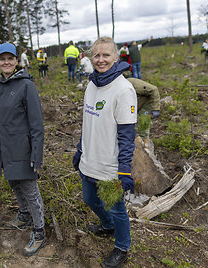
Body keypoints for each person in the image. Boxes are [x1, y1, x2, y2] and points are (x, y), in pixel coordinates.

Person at [72, 37, 136, 268]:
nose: (101, 60)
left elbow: (127, 136)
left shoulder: (124, 90)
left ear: (116, 57)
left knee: (117, 209)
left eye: (106, 55)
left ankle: (122, 246)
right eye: (96, 55)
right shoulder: (92, 84)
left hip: (109, 166)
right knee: (89, 198)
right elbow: (88, 122)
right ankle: (107, 225)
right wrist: (80, 150)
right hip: (89, 160)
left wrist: (125, 170)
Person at [0, 43, 45, 257]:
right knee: (13, 183)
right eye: (2, 59)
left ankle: (39, 232)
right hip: (4, 149)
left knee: (30, 190)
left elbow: (37, 123)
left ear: (16, 61)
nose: (7, 62)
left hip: (23, 149)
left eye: (10, 58)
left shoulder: (26, 86)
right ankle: (23, 215)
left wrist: (36, 153)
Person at [127, 78, 160, 144]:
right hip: (134, 105)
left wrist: (155, 108)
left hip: (147, 104)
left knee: (143, 125)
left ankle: (144, 145)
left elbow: (154, 89)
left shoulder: (133, 83)